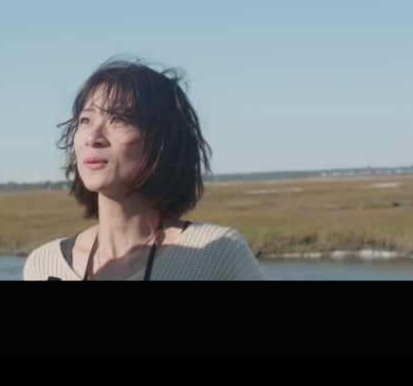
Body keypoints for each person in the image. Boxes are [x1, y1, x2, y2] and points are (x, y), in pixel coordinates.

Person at [23, 60, 265, 280]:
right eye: (85, 120)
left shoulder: (216, 254)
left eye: (118, 119)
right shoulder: (45, 265)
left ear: (161, 142)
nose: (93, 138)